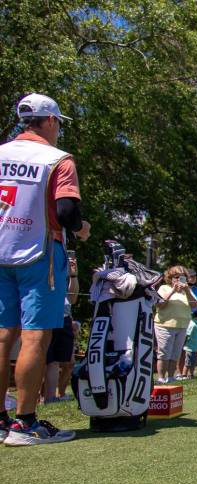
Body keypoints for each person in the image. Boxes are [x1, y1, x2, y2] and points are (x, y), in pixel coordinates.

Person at [0, 93, 90, 446]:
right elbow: (67, 211)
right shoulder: (58, 160)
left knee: (3, 334)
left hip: (2, 249)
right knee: (36, 336)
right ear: (50, 121)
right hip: (39, 251)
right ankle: (24, 423)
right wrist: (82, 229)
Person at [43, 253, 80, 402]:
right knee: (44, 360)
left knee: (61, 362)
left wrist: (73, 274)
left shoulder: (64, 275)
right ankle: (39, 396)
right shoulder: (45, 269)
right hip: (45, 319)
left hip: (64, 319)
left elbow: (73, 298)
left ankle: (54, 396)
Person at [153, 265, 197, 383]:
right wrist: (173, 291)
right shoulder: (164, 288)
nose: (179, 280)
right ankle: (161, 378)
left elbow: (194, 304)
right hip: (165, 325)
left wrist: (187, 290)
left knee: (175, 353)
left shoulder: (187, 291)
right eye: (176, 277)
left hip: (182, 326)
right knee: (164, 353)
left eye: (182, 277)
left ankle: (171, 377)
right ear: (170, 277)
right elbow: (160, 304)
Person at [178, 268, 197, 378]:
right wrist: (194, 304)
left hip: (195, 321)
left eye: (195, 276)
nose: (194, 278)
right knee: (181, 348)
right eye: (191, 276)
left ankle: (189, 373)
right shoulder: (179, 290)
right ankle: (180, 373)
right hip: (182, 320)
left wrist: (194, 304)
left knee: (192, 348)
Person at [181, 309, 197, 380]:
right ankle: (184, 375)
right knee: (188, 363)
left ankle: (191, 374)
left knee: (193, 362)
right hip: (189, 347)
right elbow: (187, 335)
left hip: (195, 347)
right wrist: (184, 344)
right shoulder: (192, 324)